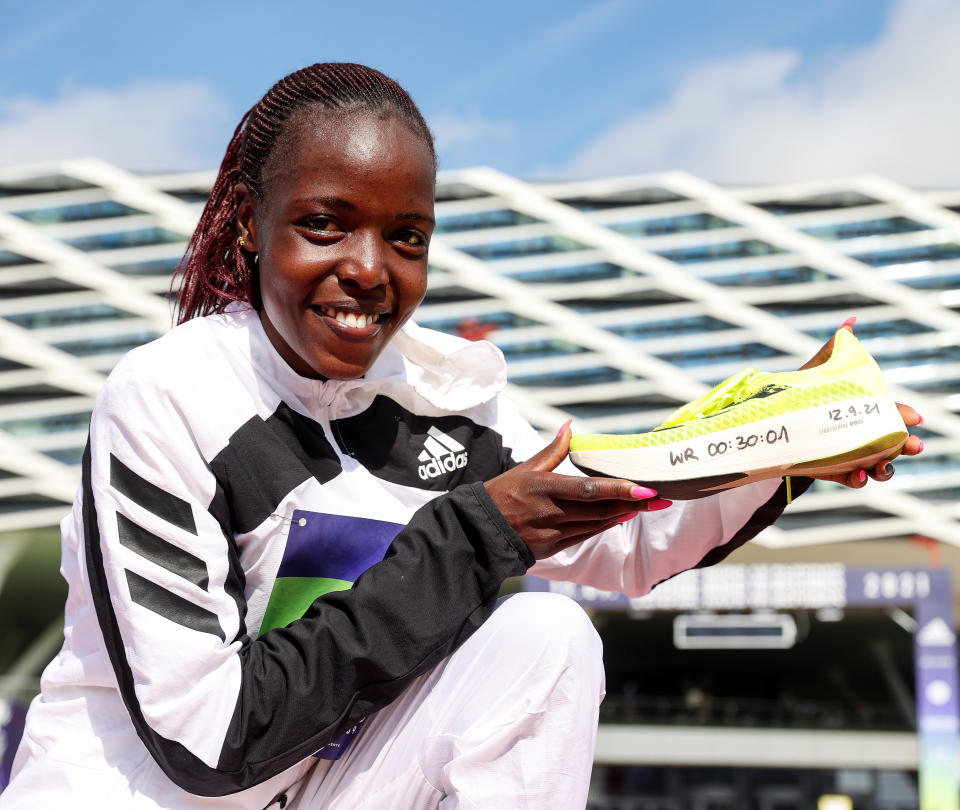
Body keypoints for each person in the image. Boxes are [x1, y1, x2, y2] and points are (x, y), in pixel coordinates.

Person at [1, 63, 922, 810]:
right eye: (325, 224)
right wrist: (478, 532)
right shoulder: (167, 398)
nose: (367, 270)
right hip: (141, 792)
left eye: (407, 238)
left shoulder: (445, 400)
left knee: (546, 636)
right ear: (250, 224)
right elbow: (205, 741)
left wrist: (793, 444)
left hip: (312, 790)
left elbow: (625, 535)